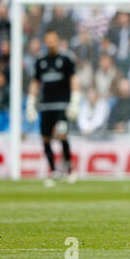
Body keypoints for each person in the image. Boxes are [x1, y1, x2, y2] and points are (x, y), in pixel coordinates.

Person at [26, 30, 81, 187]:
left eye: (53, 40)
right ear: (45, 42)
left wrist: (75, 101)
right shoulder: (40, 61)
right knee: (45, 138)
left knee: (62, 134)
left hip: (62, 104)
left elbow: (74, 80)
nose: (50, 43)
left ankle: (70, 169)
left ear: (58, 41)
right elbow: (35, 83)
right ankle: (53, 171)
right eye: (48, 40)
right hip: (46, 105)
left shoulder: (66, 59)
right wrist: (31, 103)